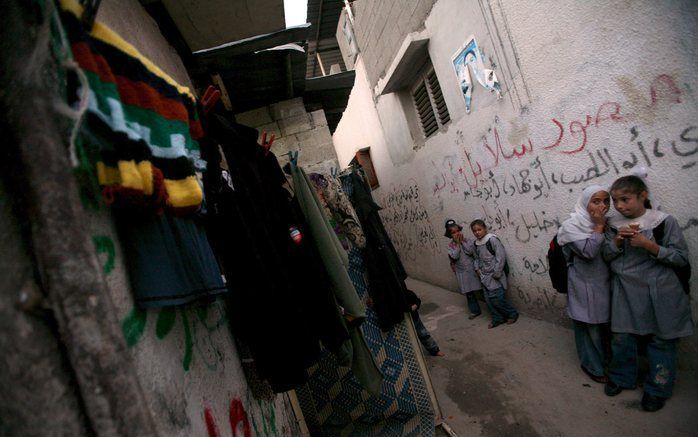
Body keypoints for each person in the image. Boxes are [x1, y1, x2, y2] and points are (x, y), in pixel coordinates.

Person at [602, 175, 694, 412]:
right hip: (625, 290)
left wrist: (649, 245)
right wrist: (617, 242)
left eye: (626, 199)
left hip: (660, 290)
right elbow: (605, 255)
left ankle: (657, 388)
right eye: (615, 200)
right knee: (622, 337)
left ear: (643, 196)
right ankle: (622, 377)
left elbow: (680, 258)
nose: (620, 205)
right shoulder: (612, 223)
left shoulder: (663, 222)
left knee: (661, 341)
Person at [556, 185, 611, 384]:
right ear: (585, 203)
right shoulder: (572, 226)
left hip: (604, 283)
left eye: (606, 201)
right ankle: (592, 366)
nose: (602, 206)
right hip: (583, 283)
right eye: (596, 201)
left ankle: (605, 363)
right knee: (588, 327)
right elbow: (588, 252)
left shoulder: (608, 224)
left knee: (603, 327)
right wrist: (598, 227)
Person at [469, 219, 519, 329]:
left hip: (494, 276)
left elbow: (500, 257)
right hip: (484, 276)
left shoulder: (492, 240)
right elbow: (476, 258)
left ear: (485, 229)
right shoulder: (475, 244)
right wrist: (477, 269)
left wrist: (497, 273)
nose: (477, 232)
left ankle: (512, 313)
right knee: (488, 300)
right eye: (474, 231)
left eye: (479, 229)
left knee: (497, 299)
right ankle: (497, 318)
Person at [445, 219, 483, 319]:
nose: (457, 234)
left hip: (473, 270)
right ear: (450, 235)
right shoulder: (450, 246)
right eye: (453, 233)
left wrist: (462, 243)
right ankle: (475, 310)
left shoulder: (467, 241)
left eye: (458, 231)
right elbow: (455, 256)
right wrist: (457, 244)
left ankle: (493, 307)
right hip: (462, 273)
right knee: (469, 293)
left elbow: (471, 251)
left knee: (481, 290)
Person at [404, 289, 445, 357]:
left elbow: (417, 301)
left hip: (414, 318)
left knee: (423, 334)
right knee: (405, 340)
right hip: (401, 322)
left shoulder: (406, 293)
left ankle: (434, 350)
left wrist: (413, 307)